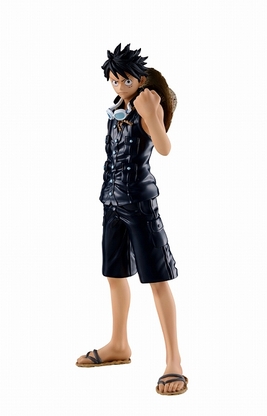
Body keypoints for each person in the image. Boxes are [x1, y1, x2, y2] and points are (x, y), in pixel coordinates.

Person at [76, 43, 187, 396]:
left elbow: (165, 148)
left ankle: (174, 360)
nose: (119, 85)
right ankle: (119, 344)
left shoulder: (146, 105)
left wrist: (152, 113)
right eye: (114, 80)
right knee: (114, 274)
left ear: (140, 80)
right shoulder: (116, 110)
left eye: (125, 80)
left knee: (157, 279)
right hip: (111, 201)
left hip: (139, 202)